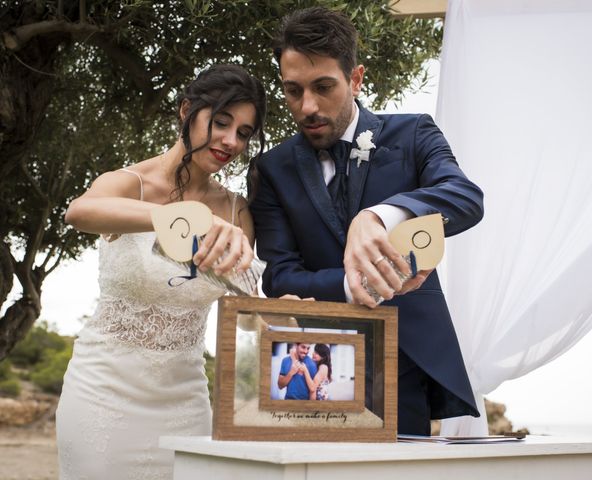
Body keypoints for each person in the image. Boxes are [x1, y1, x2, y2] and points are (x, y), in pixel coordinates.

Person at [249, 7, 484, 435]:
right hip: (318, 365)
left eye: (324, 87)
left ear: (356, 79)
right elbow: (280, 277)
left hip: (407, 362)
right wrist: (352, 284)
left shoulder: (413, 133)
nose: (308, 106)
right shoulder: (271, 170)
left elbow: (465, 197)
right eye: (293, 90)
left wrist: (378, 216)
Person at [56, 64, 266, 479]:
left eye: (243, 133)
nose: (230, 141)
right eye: (221, 122)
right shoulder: (127, 183)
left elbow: (243, 313)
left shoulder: (236, 210)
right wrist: (183, 218)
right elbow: (78, 212)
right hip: (102, 397)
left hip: (184, 403)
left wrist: (279, 312)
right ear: (187, 110)